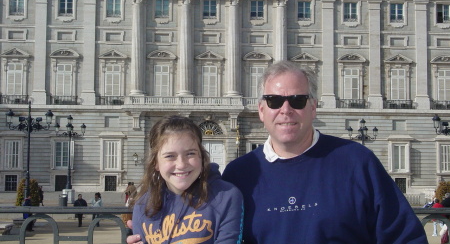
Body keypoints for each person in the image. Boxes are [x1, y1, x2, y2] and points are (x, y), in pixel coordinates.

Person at [221, 61, 427, 243]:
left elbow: (404, 236)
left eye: (297, 100)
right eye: (274, 101)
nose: (285, 110)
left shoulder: (357, 161)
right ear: (261, 110)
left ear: (313, 108)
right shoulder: (239, 174)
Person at [128, 115, 243, 244]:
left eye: (190, 154)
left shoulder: (226, 196)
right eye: (170, 156)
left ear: (201, 157)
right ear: (156, 163)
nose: (181, 164)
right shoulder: (143, 204)